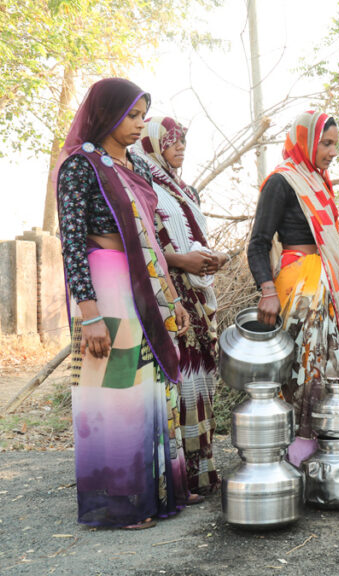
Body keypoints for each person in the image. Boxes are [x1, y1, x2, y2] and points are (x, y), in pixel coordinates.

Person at [56, 78, 192, 529]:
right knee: (115, 390)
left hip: (141, 282)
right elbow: (71, 243)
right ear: (106, 114)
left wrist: (170, 296)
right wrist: (89, 314)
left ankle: (151, 496)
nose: (138, 125)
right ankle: (120, 503)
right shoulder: (82, 166)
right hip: (107, 283)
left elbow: (151, 237)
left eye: (141, 116)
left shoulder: (135, 164)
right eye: (131, 115)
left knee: (147, 388)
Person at [247, 110, 339, 465]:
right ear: (305, 140)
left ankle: (328, 446)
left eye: (336, 143)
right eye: (326, 143)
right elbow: (258, 242)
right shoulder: (283, 181)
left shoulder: (319, 181)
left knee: (330, 364)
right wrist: (267, 290)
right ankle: (297, 450)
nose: (333, 151)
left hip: (326, 280)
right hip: (299, 285)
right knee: (305, 366)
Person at [134, 116, 227, 496]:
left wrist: (209, 258)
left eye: (183, 140)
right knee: (182, 381)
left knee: (202, 381)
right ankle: (179, 479)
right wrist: (181, 262)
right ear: (152, 144)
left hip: (198, 293)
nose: (180, 147)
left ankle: (202, 473)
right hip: (170, 295)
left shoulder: (186, 190)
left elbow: (194, 238)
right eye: (171, 140)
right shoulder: (144, 187)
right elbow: (147, 245)